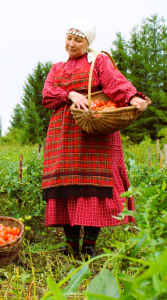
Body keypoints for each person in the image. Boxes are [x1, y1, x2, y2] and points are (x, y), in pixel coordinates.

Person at [41, 19, 148, 258]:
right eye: (69, 38)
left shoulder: (98, 61)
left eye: (78, 40)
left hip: (94, 135)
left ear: (87, 42)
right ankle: (71, 247)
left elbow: (115, 84)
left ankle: (89, 246)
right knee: (67, 189)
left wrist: (132, 97)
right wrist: (69, 93)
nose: (72, 44)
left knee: (93, 189)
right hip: (64, 135)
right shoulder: (57, 68)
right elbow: (47, 95)